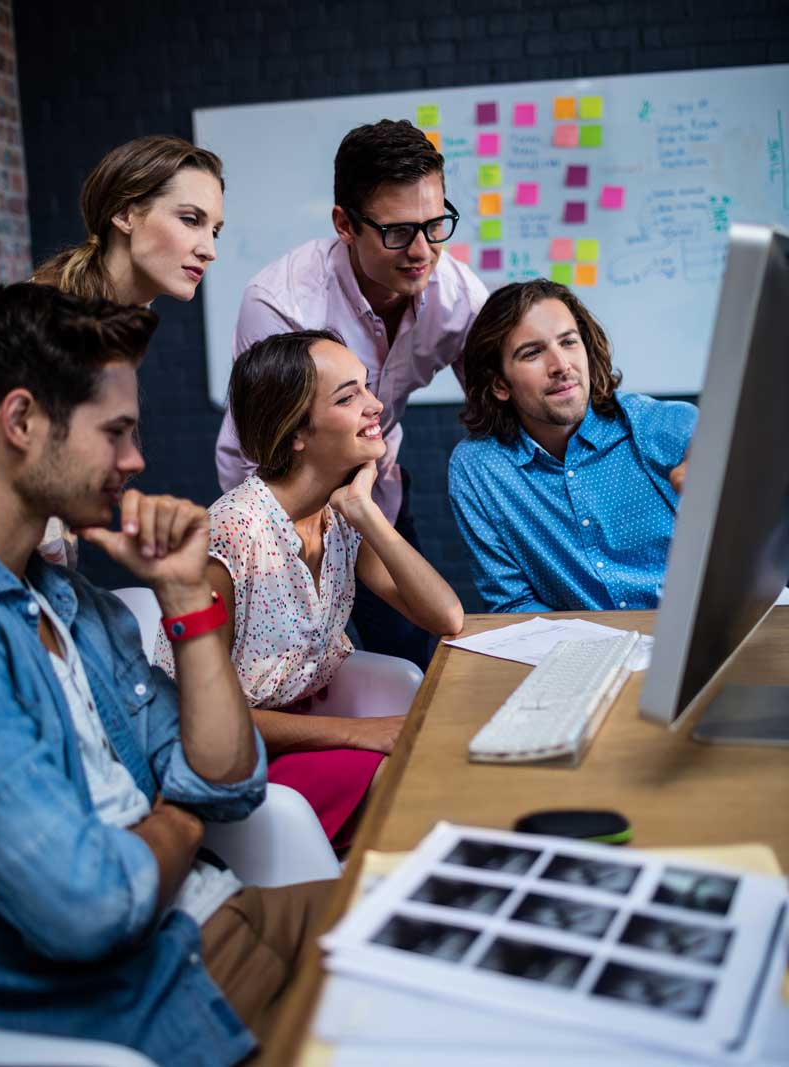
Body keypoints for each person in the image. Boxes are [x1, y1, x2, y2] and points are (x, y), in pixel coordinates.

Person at [0, 283, 332, 1067]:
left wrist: (183, 596)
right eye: (116, 432)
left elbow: (232, 779)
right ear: (20, 422)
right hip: (160, 996)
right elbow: (89, 903)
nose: (137, 460)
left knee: (485, 935)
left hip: (230, 913)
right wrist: (182, 818)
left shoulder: (79, 605)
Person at [161, 329, 463, 848]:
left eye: (366, 387)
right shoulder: (232, 532)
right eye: (347, 397)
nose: (374, 406)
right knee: (416, 782)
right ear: (295, 431)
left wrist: (367, 512)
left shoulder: (340, 515)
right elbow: (199, 714)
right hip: (225, 763)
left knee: (440, 760)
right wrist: (356, 732)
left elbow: (446, 617)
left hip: (299, 740)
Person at [215, 119, 487, 669]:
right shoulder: (283, 303)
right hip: (279, 504)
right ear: (344, 223)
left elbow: (501, 400)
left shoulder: (457, 297)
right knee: (279, 667)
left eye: (436, 225)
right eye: (397, 232)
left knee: (412, 655)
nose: (422, 251)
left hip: (371, 491)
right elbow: (268, 446)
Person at [32, 133, 225, 565]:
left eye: (214, 230)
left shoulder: (115, 319)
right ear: (124, 212)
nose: (208, 249)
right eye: (190, 219)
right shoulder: (55, 325)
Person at [448, 279, 696, 613]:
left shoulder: (667, 428)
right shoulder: (479, 468)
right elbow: (513, 603)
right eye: (533, 353)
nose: (561, 365)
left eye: (568, 342)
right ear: (499, 384)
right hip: (579, 653)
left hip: (691, 639)